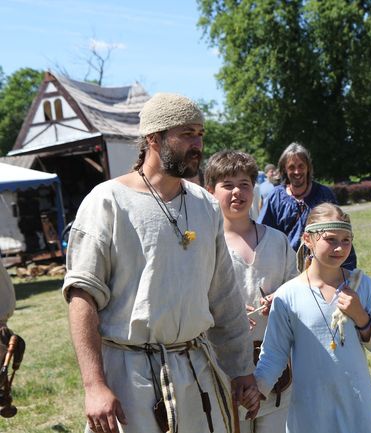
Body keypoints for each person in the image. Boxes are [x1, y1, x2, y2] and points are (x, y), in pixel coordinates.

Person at [63, 93, 259, 433]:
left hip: (196, 371)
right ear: (153, 138)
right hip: (129, 377)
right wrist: (94, 385)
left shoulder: (204, 205)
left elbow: (224, 297)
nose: (198, 144)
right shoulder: (107, 202)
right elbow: (82, 298)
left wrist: (241, 368)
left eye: (200, 133)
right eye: (187, 134)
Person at [255, 203, 371, 433]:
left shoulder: (361, 285)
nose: (339, 248)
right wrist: (256, 389)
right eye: (331, 239)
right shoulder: (288, 295)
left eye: (346, 240)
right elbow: (273, 355)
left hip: (358, 407)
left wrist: (361, 317)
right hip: (312, 411)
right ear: (308, 239)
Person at [205, 150, 297, 433]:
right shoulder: (204, 247)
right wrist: (225, 316)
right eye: (227, 185)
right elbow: (192, 303)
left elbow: (297, 292)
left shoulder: (278, 242)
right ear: (210, 191)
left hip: (275, 366)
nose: (237, 192)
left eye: (244, 184)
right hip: (224, 368)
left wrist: (279, 298)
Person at [258, 142, 356, 269]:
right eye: (291, 167)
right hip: (284, 269)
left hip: (322, 268)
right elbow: (263, 235)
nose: (297, 171)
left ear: (308, 167)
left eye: (301, 166)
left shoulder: (324, 194)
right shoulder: (275, 197)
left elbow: (341, 232)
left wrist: (348, 270)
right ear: (284, 169)